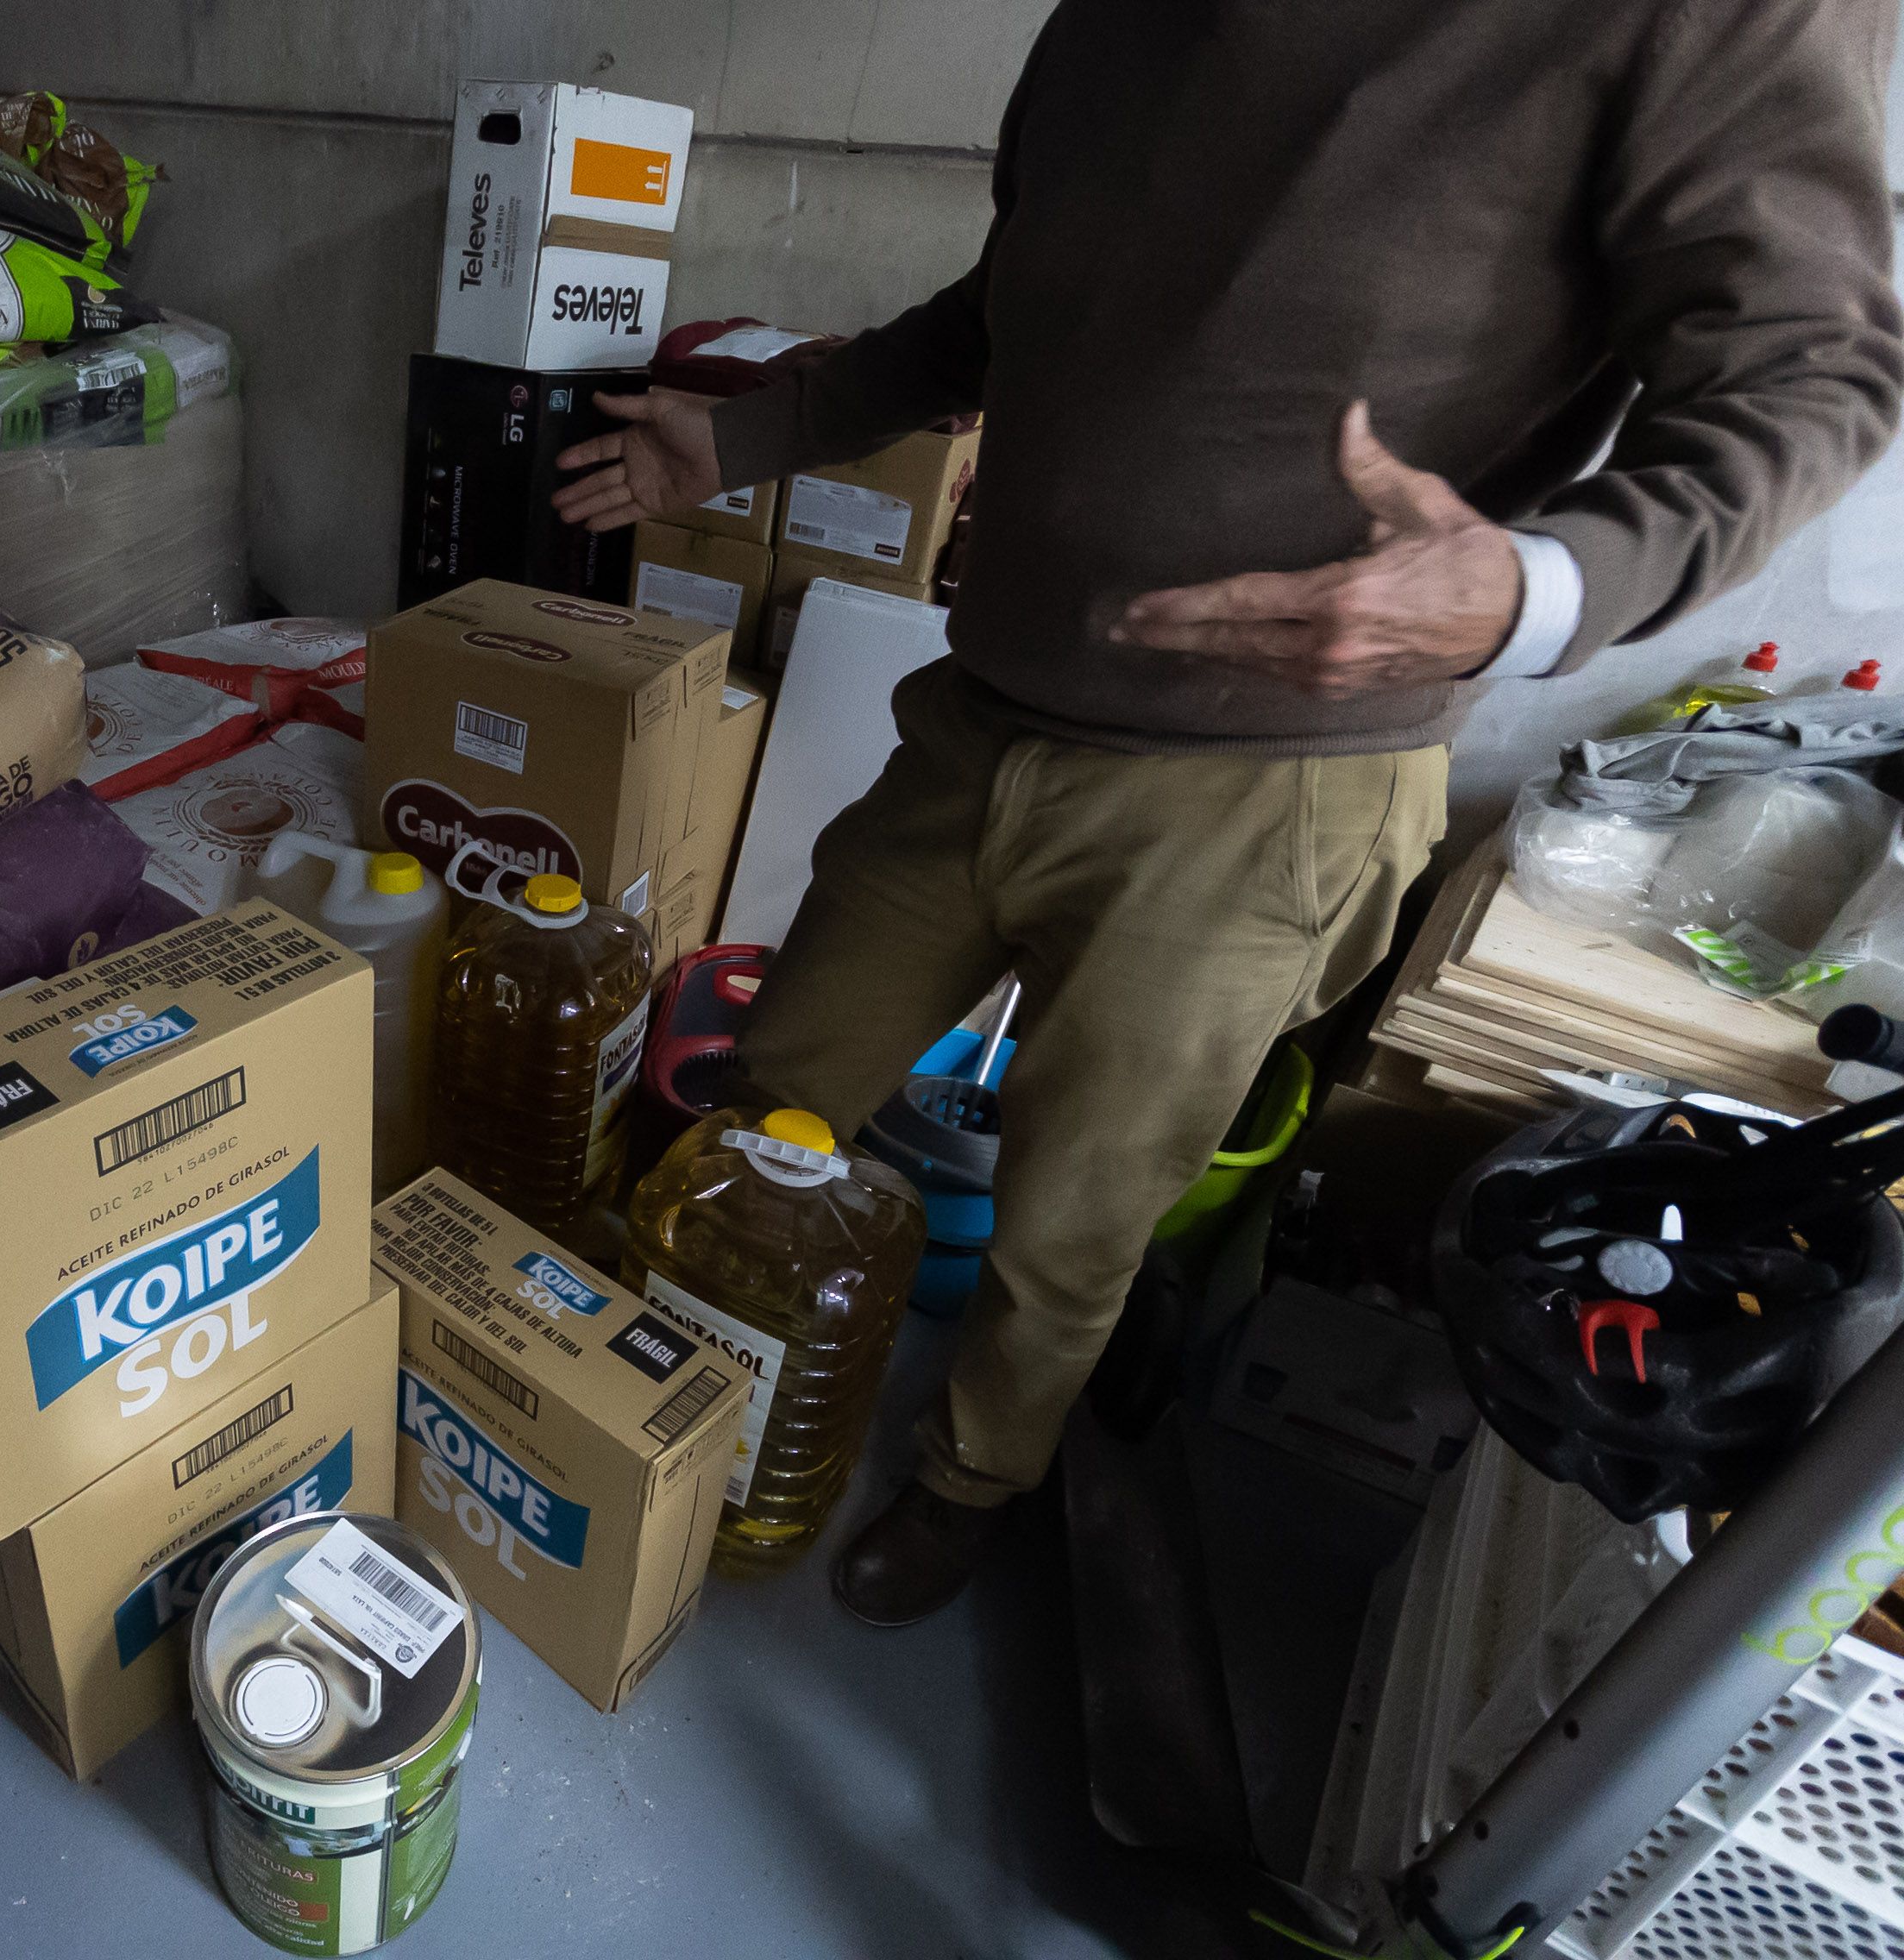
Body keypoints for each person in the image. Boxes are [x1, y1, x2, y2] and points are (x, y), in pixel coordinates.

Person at [553, 0, 1904, 1625]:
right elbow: (1005, 309)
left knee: (1073, 1218)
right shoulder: (1117, 25)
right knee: (779, 1084)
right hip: (982, 720)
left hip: (1268, 789)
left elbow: (1817, 373)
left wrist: (1538, 593)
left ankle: (973, 1481)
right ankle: (684, 1404)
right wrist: (750, 433)